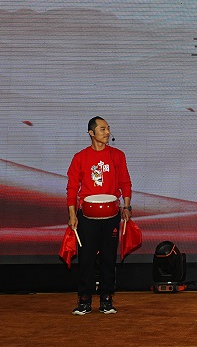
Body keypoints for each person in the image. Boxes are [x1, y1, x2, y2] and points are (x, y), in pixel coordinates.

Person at [67, 116, 132, 315]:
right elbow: (72, 188)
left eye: (108, 128)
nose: (107, 132)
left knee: (108, 257)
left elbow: (125, 182)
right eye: (103, 129)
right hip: (87, 216)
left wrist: (127, 207)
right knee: (86, 258)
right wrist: (72, 215)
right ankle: (84, 299)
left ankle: (106, 298)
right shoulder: (80, 157)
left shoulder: (117, 155)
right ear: (91, 133)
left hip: (111, 214)